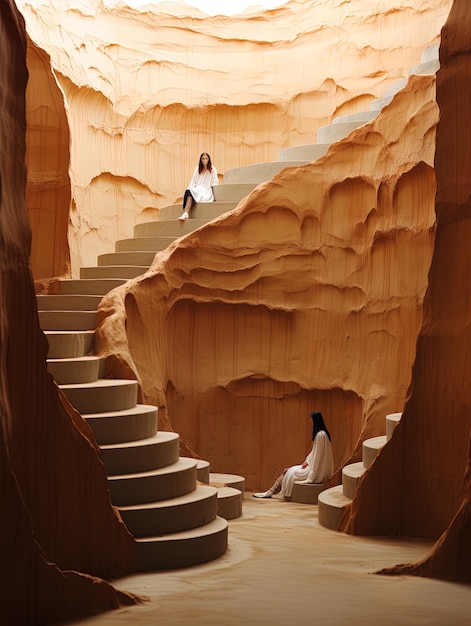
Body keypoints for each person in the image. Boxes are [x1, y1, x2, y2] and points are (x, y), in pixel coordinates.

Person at [253, 410, 334, 499]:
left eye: (311, 419)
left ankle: (270, 492)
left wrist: (311, 478)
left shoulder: (319, 435)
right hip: (314, 468)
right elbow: (315, 454)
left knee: (287, 471)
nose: (310, 421)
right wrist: (307, 461)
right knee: (287, 471)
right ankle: (271, 491)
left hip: (315, 472)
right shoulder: (324, 434)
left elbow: (317, 457)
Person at [179, 152, 218, 220]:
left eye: (206, 158)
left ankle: (185, 213)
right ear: (201, 160)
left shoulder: (212, 169)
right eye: (203, 158)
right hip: (198, 188)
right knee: (189, 191)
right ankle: (185, 213)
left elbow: (215, 181)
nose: (204, 160)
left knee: (191, 192)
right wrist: (191, 187)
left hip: (206, 190)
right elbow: (193, 180)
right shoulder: (197, 169)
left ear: (209, 159)